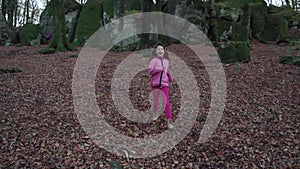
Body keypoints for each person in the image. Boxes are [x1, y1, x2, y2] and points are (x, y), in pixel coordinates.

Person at [148, 42, 174, 129]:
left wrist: (170, 77)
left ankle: (169, 120)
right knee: (156, 101)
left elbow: (168, 71)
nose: (160, 51)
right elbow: (150, 71)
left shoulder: (167, 61)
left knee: (167, 102)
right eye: (158, 49)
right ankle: (155, 113)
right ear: (156, 51)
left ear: (164, 51)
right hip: (155, 84)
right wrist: (158, 70)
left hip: (164, 84)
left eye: (162, 49)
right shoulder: (153, 61)